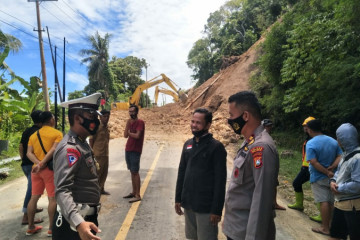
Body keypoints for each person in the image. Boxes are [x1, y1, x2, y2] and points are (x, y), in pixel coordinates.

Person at [223, 91, 279, 240]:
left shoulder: (261, 147)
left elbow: (262, 200)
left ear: (245, 116)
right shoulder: (250, 142)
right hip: (237, 227)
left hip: (245, 232)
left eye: (231, 115)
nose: (229, 120)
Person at [52, 93, 103, 240]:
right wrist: (78, 223)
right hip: (73, 225)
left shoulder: (82, 143)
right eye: (92, 116)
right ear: (77, 118)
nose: (96, 121)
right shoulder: (70, 148)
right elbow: (62, 190)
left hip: (84, 220)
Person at [175, 108, 227, 240]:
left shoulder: (216, 147)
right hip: (188, 204)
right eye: (192, 121)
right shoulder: (188, 145)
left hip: (206, 207)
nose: (194, 125)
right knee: (191, 237)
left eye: (198, 122)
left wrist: (216, 209)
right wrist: (178, 198)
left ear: (208, 125)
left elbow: (220, 181)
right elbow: (182, 172)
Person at [26, 111, 63, 236]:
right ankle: (51, 229)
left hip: (35, 170)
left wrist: (37, 164)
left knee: (34, 197)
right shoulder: (57, 133)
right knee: (52, 198)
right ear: (51, 120)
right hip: (49, 170)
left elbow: (28, 153)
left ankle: (31, 227)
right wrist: (42, 164)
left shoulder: (34, 135)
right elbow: (54, 150)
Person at [305, 119, 342, 236]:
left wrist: (326, 172)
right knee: (332, 202)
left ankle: (325, 228)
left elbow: (314, 162)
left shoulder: (310, 143)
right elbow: (340, 155)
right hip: (334, 177)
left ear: (310, 130)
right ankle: (332, 226)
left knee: (323, 201)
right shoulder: (333, 141)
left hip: (318, 177)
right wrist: (332, 168)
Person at [288, 116, 322, 223]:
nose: (304, 128)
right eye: (304, 126)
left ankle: (321, 213)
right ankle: (300, 204)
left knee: (316, 190)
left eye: (306, 126)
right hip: (306, 167)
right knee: (298, 184)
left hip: (310, 167)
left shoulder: (314, 139)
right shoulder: (309, 138)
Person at [329, 123, 360, 240]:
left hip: (353, 207)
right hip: (340, 203)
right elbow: (339, 172)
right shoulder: (346, 154)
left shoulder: (358, 158)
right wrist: (333, 181)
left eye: (339, 138)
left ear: (344, 139)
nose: (337, 140)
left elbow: (358, 184)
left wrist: (339, 188)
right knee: (335, 235)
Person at [19, 110, 44, 225]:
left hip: (25, 164)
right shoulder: (39, 132)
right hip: (34, 165)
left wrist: (23, 159)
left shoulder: (27, 131)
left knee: (33, 188)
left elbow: (21, 146)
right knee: (32, 191)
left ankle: (33, 208)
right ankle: (25, 216)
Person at [262, 119, 286, 211]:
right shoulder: (260, 137)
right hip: (263, 163)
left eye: (270, 126)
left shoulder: (268, 137)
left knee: (274, 183)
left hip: (271, 163)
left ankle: (274, 203)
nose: (269, 128)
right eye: (267, 126)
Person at [123, 104, 145, 203]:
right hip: (128, 149)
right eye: (130, 111)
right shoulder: (129, 122)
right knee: (132, 171)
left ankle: (138, 194)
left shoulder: (140, 122)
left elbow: (137, 136)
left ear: (137, 112)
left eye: (133, 111)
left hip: (135, 150)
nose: (131, 113)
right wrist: (128, 126)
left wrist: (129, 133)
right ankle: (133, 192)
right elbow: (124, 135)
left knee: (135, 172)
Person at [90, 109, 111, 195]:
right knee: (97, 174)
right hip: (98, 154)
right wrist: (91, 152)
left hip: (105, 154)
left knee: (104, 173)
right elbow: (91, 140)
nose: (106, 118)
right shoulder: (96, 127)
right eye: (104, 116)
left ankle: (101, 189)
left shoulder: (107, 127)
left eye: (108, 116)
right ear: (100, 117)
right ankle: (95, 191)